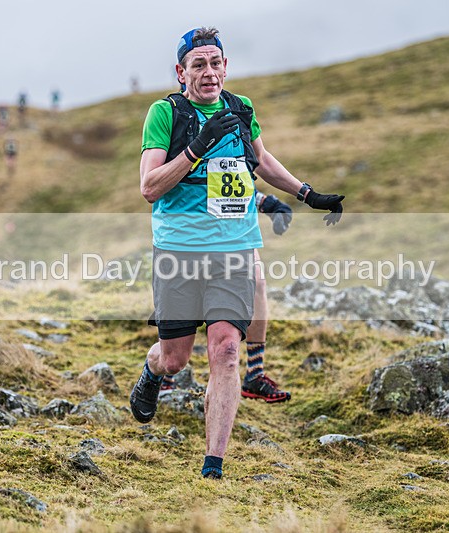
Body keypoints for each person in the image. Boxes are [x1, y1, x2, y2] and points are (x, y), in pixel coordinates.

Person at [130, 27, 345, 479]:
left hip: (234, 251)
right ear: (181, 72)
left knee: (227, 349)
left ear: (225, 67)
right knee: (175, 359)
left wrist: (308, 194)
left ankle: (213, 467)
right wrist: (195, 147)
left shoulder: (241, 109)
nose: (209, 72)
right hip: (179, 253)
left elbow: (261, 161)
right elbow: (149, 187)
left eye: (216, 63)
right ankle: (152, 373)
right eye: (198, 65)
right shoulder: (165, 114)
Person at [159, 189, 294, 404]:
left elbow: (234, 173)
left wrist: (267, 202)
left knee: (257, 283)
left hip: (232, 228)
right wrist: (263, 201)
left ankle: (255, 373)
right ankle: (163, 372)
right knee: (188, 303)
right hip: (189, 227)